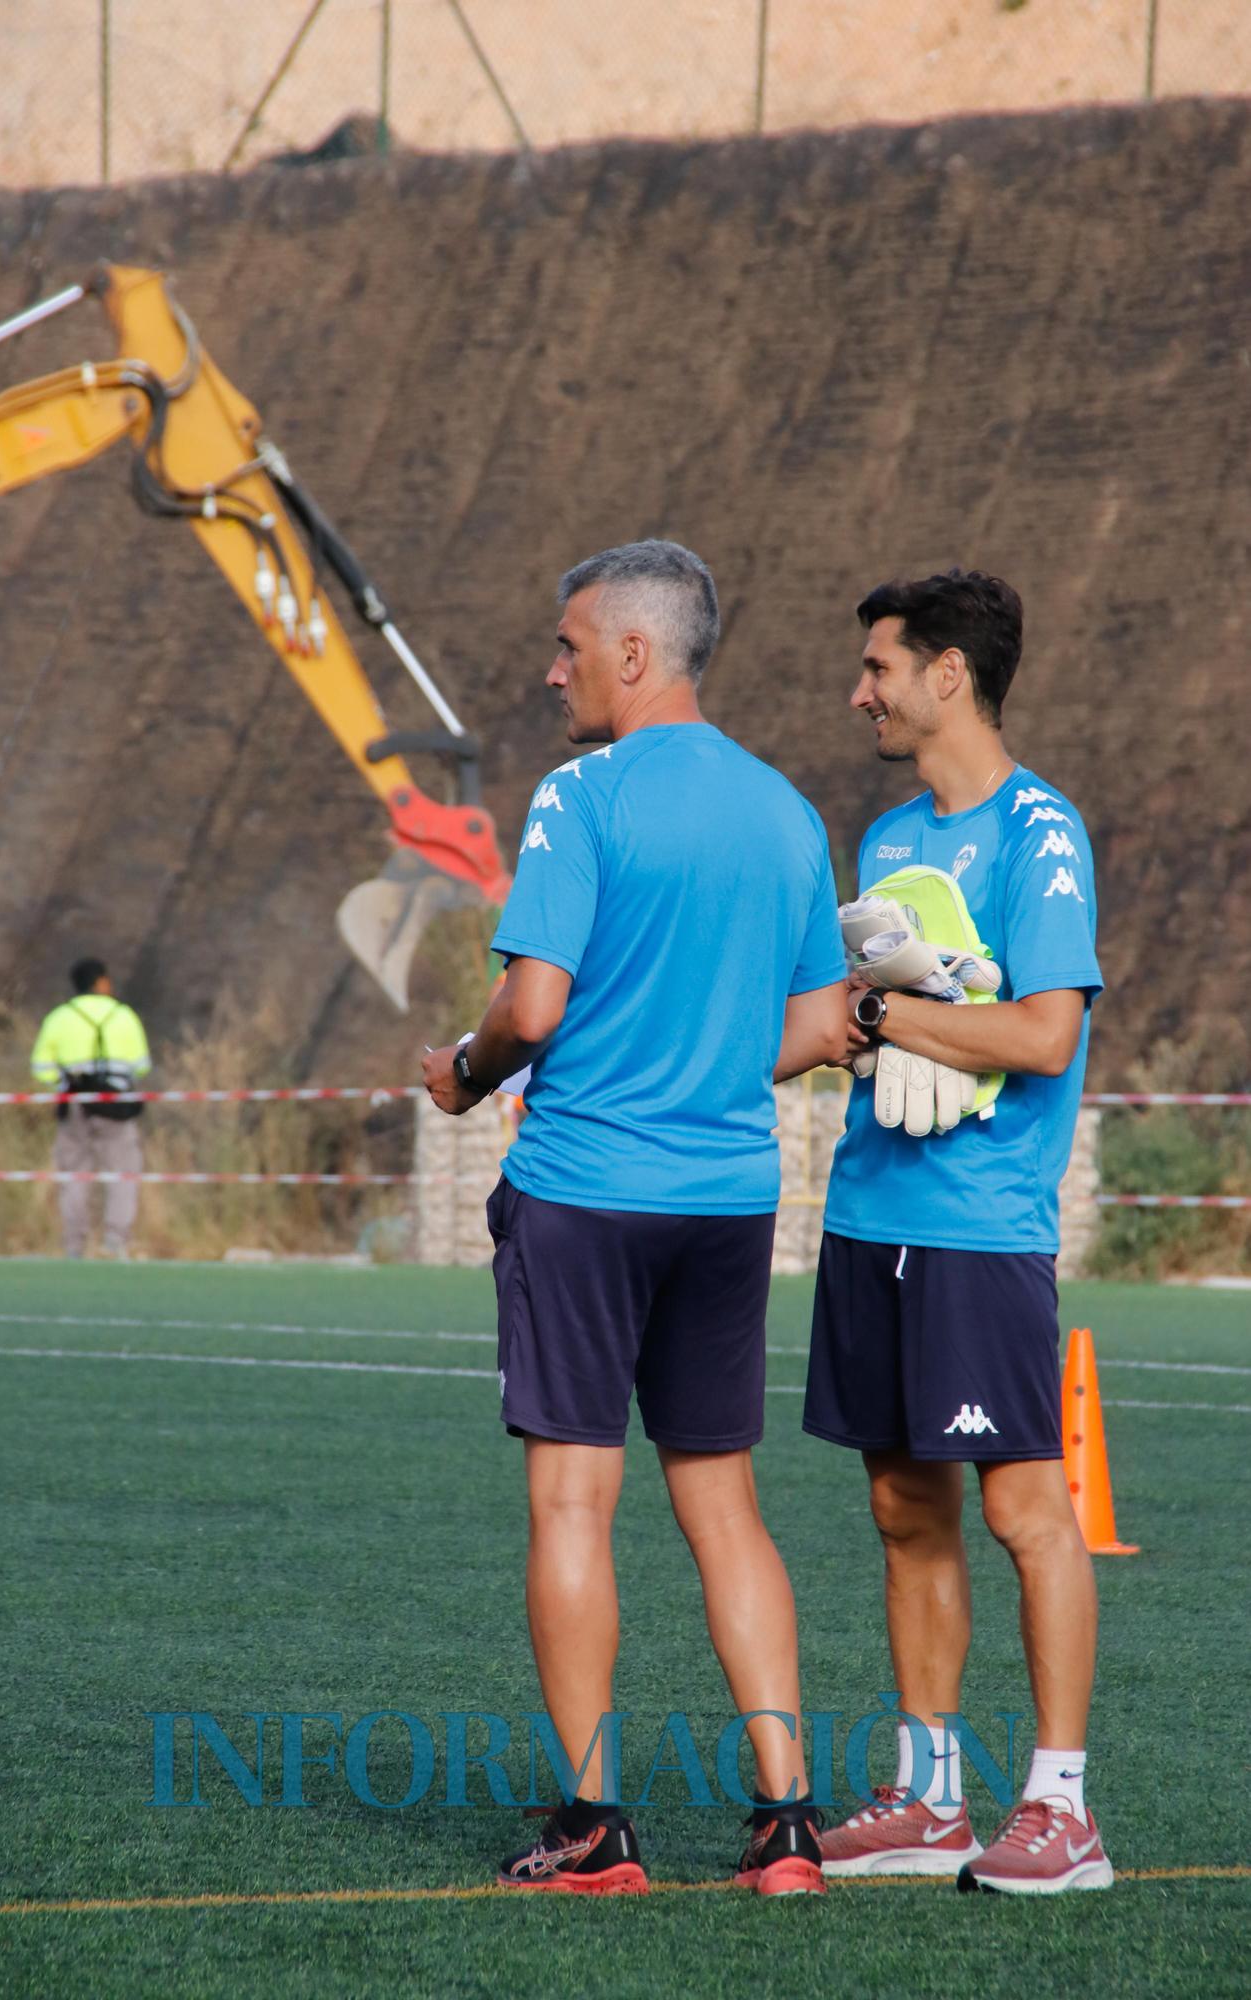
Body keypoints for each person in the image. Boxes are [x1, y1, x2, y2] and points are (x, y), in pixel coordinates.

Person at [423, 539, 847, 1896]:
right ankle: (788, 1826)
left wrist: (464, 1073)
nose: (551, 672)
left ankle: (596, 1827)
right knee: (724, 1507)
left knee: (570, 1500)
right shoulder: (787, 811)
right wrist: (702, 1065)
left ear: (630, 653)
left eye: (566, 646)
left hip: (585, 1193)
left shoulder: (579, 795)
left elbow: (531, 1009)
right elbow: (811, 1027)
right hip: (726, 1199)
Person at [806, 569, 1110, 1894]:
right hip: (871, 1209)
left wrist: (893, 1023)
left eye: (878, 666)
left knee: (1027, 1511)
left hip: (982, 1228)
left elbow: (1044, 1035)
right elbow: (867, 1023)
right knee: (898, 1508)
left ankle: (1062, 1810)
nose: (859, 690)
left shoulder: (1044, 832)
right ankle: (927, 1801)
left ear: (947, 676)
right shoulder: (882, 843)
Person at [30, 957, 151, 1260]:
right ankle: (115, 1241)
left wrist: (65, 1081)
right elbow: (141, 1066)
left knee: (74, 1173)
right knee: (123, 1171)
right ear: (101, 982)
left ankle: (74, 1245)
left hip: (74, 1104)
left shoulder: (59, 1017)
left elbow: (41, 1067)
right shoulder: (123, 1015)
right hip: (115, 1105)